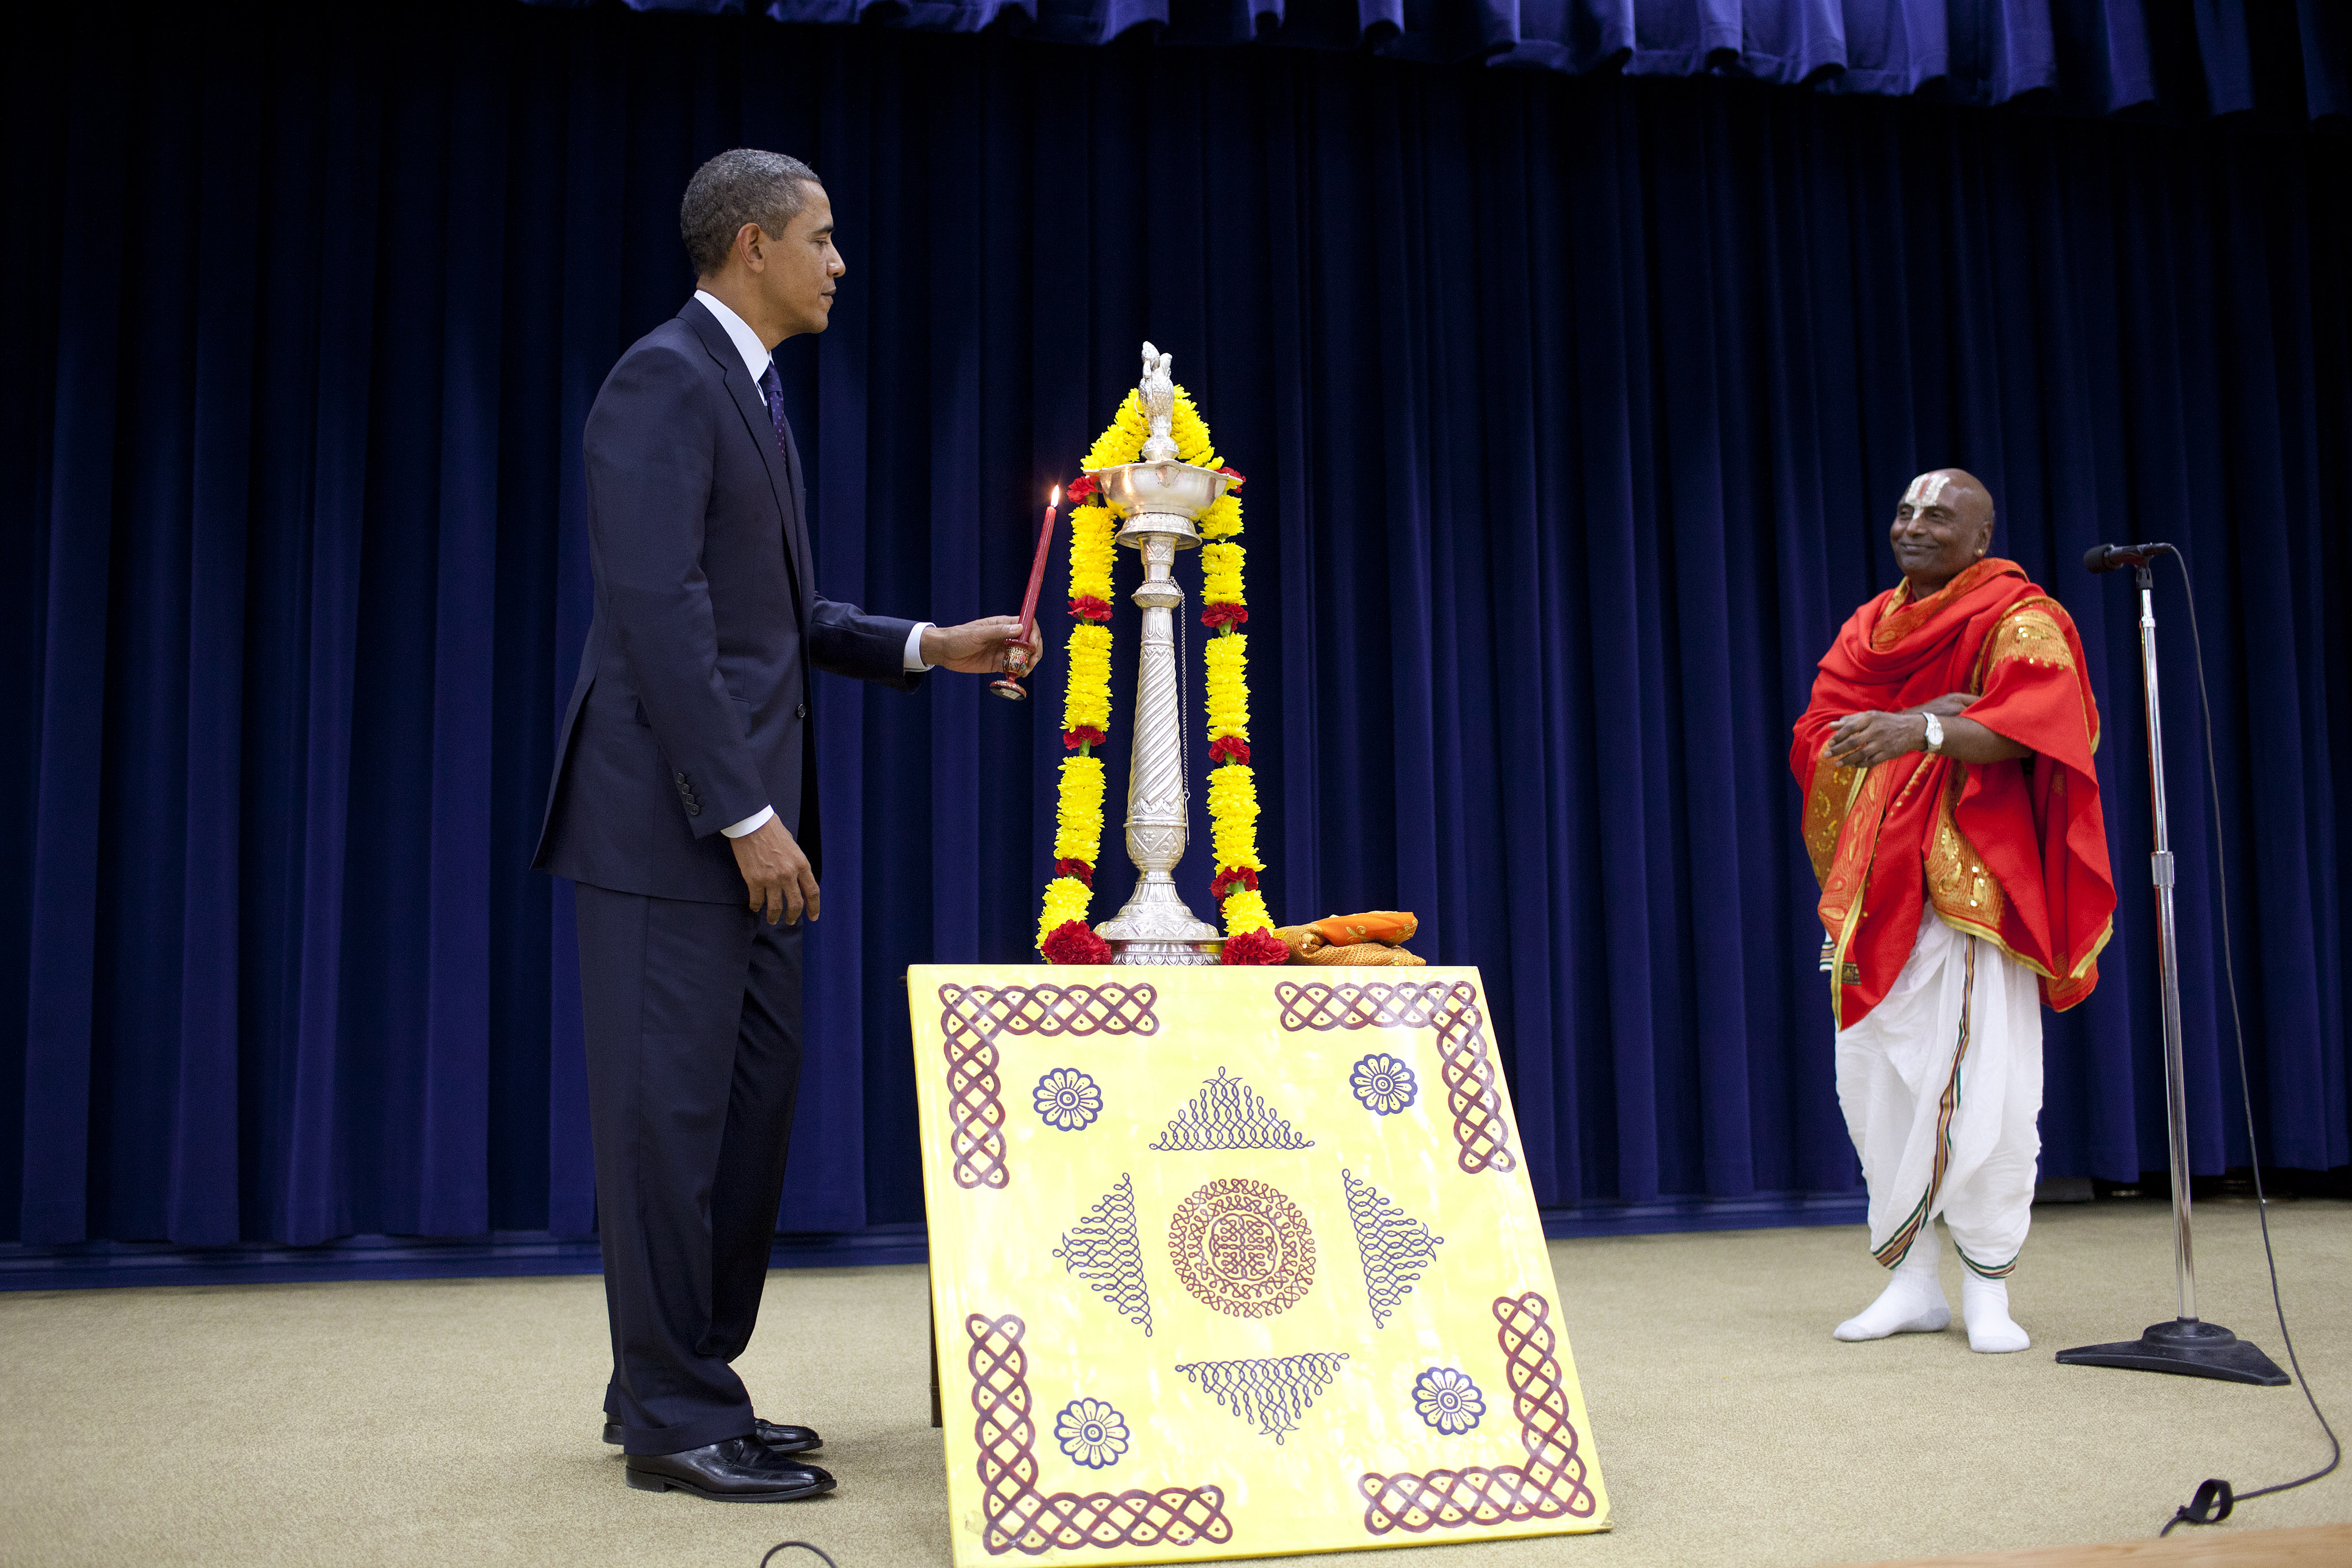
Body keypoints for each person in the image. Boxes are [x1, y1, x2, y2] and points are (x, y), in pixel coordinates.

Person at [533, 149, 1039, 1501]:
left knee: (741, 1123)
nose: (839, 262)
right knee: (666, 1127)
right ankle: (671, 1418)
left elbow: (775, 624)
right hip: (670, 830)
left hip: (741, 830)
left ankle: (685, 1376)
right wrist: (749, 814)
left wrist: (932, 643)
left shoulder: (749, 397)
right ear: (752, 245)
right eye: (821, 238)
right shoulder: (662, 381)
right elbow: (661, 621)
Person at [1790, 469, 2115, 1354]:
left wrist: (1921, 731)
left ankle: (1989, 1288)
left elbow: (2042, 725)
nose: (1915, 525)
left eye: (1939, 515)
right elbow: (1821, 733)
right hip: (1874, 892)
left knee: (1978, 1090)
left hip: (1971, 890)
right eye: (1904, 510)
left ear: (1981, 537)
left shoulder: (2022, 616)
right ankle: (1911, 1283)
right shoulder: (1870, 626)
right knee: (1876, 1081)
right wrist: (1909, 717)